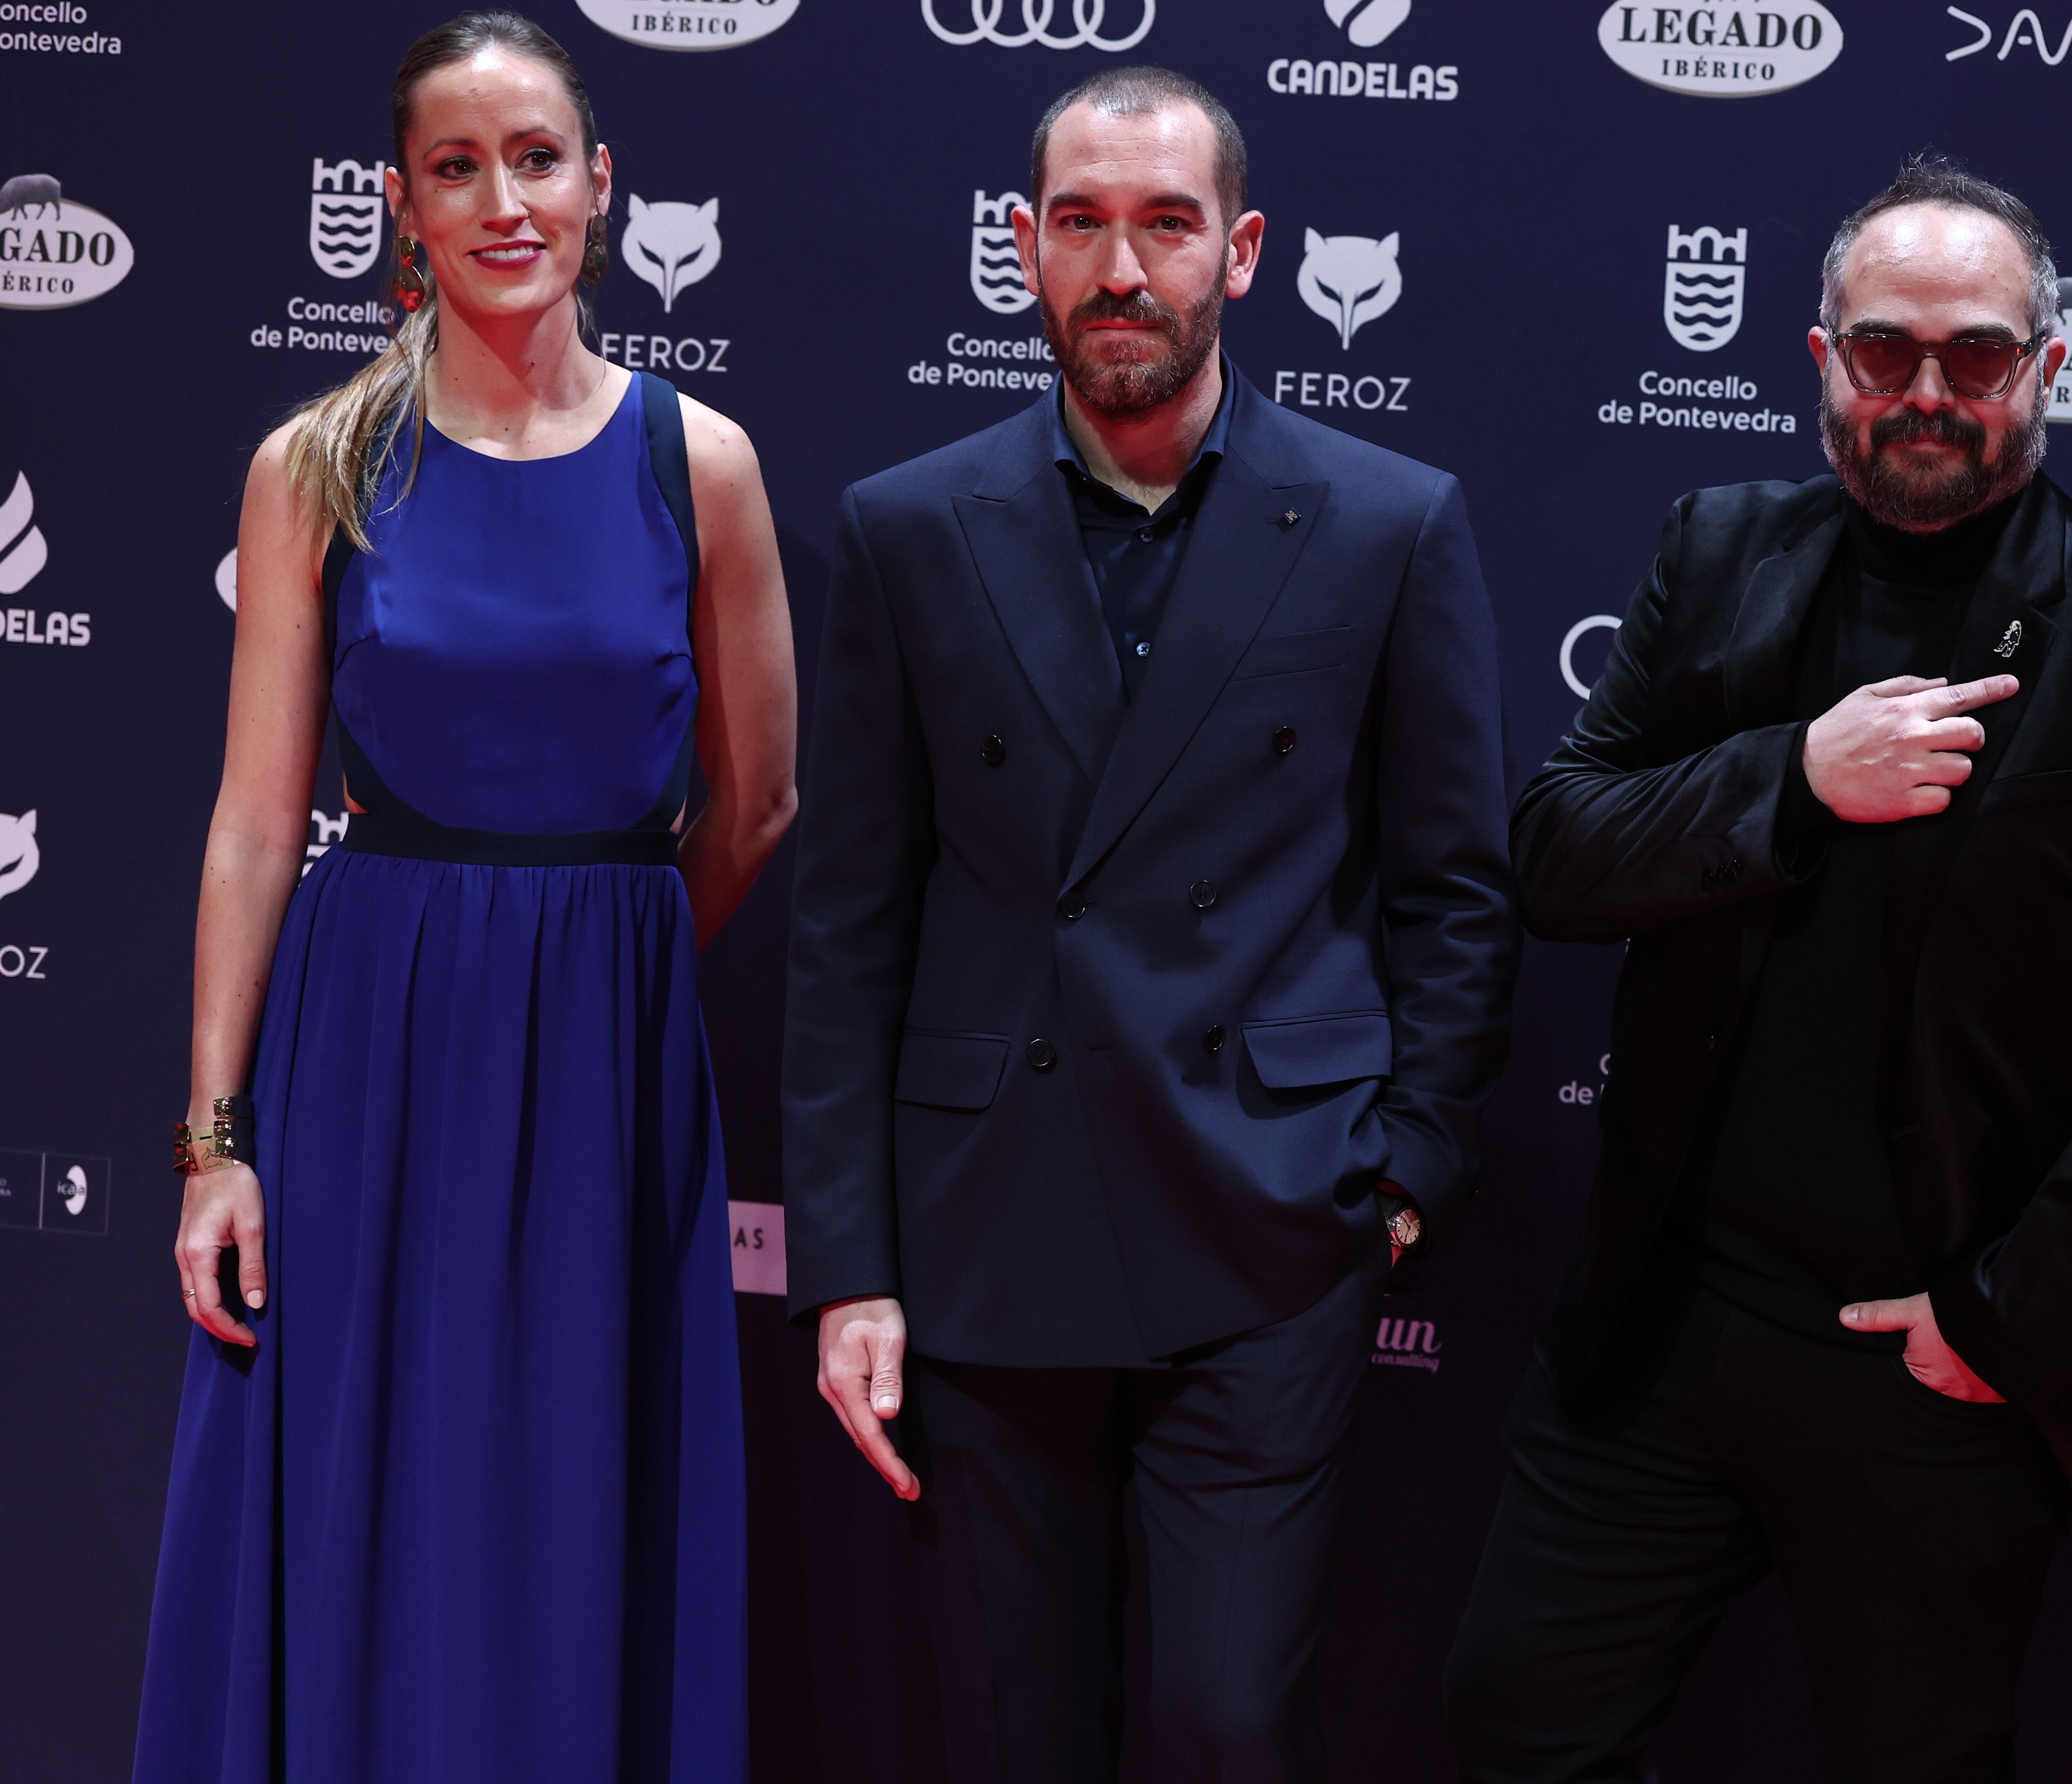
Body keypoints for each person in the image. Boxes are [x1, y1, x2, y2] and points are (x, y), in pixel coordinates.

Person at [1447, 155, 2072, 1784]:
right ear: (1822, 358)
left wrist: (1997, 1324)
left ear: (2048, 371)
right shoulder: (1720, 550)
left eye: (1975, 355)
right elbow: (1556, 851)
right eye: (1885, 348)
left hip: (1935, 1375)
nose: (1927, 392)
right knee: (1511, 1729)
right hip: (1660, 1334)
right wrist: (1789, 781)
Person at [781, 65, 1517, 1782]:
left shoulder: (1388, 520)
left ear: (1242, 253)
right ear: (1025, 251)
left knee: (1225, 1728)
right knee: (1009, 1731)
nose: (1124, 269)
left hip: (1270, 1221)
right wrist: (851, 1266)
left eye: (1167, 226)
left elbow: (1456, 884)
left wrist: (1405, 1171)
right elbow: (850, 926)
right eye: (1085, 226)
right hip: (985, 1224)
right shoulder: (907, 525)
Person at [136, 13, 797, 1782]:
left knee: (574, 1492)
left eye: (537, 161)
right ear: (398, 208)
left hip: (609, 1058)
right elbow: (255, 824)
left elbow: (759, 805)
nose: (505, 202)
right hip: (368, 1054)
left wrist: (610, 964)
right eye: (457, 169)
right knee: (367, 1488)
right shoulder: (320, 466)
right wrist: (221, 1138)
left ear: (602, 188)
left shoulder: (702, 466)